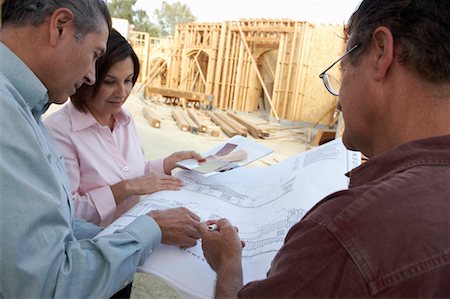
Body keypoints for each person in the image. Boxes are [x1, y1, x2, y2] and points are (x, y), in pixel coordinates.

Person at [197, 0, 450, 297]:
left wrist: (228, 265)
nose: (339, 100)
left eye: (342, 71)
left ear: (381, 53)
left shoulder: (347, 233)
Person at [0, 1, 200, 298]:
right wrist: (146, 231)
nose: (91, 76)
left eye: (129, 81)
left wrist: (137, 234)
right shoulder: (14, 120)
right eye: (95, 56)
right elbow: (47, 283)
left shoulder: (26, 111)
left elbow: (59, 226)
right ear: (60, 27)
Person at [45, 28, 204, 227]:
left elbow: (132, 173)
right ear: (87, 77)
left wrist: (166, 164)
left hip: (133, 238)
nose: (122, 93)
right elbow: (68, 212)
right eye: (110, 82)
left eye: (128, 81)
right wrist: (126, 188)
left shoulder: (124, 120)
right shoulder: (60, 132)